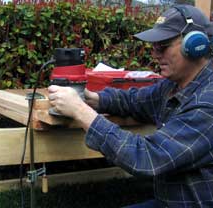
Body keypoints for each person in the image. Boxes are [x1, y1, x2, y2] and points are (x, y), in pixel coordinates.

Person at [48, 5, 213, 207]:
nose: (155, 54)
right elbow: (135, 100)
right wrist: (92, 99)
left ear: (196, 44)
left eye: (162, 46)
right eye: (153, 47)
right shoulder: (175, 85)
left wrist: (82, 112)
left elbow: (148, 157)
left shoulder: (207, 104)